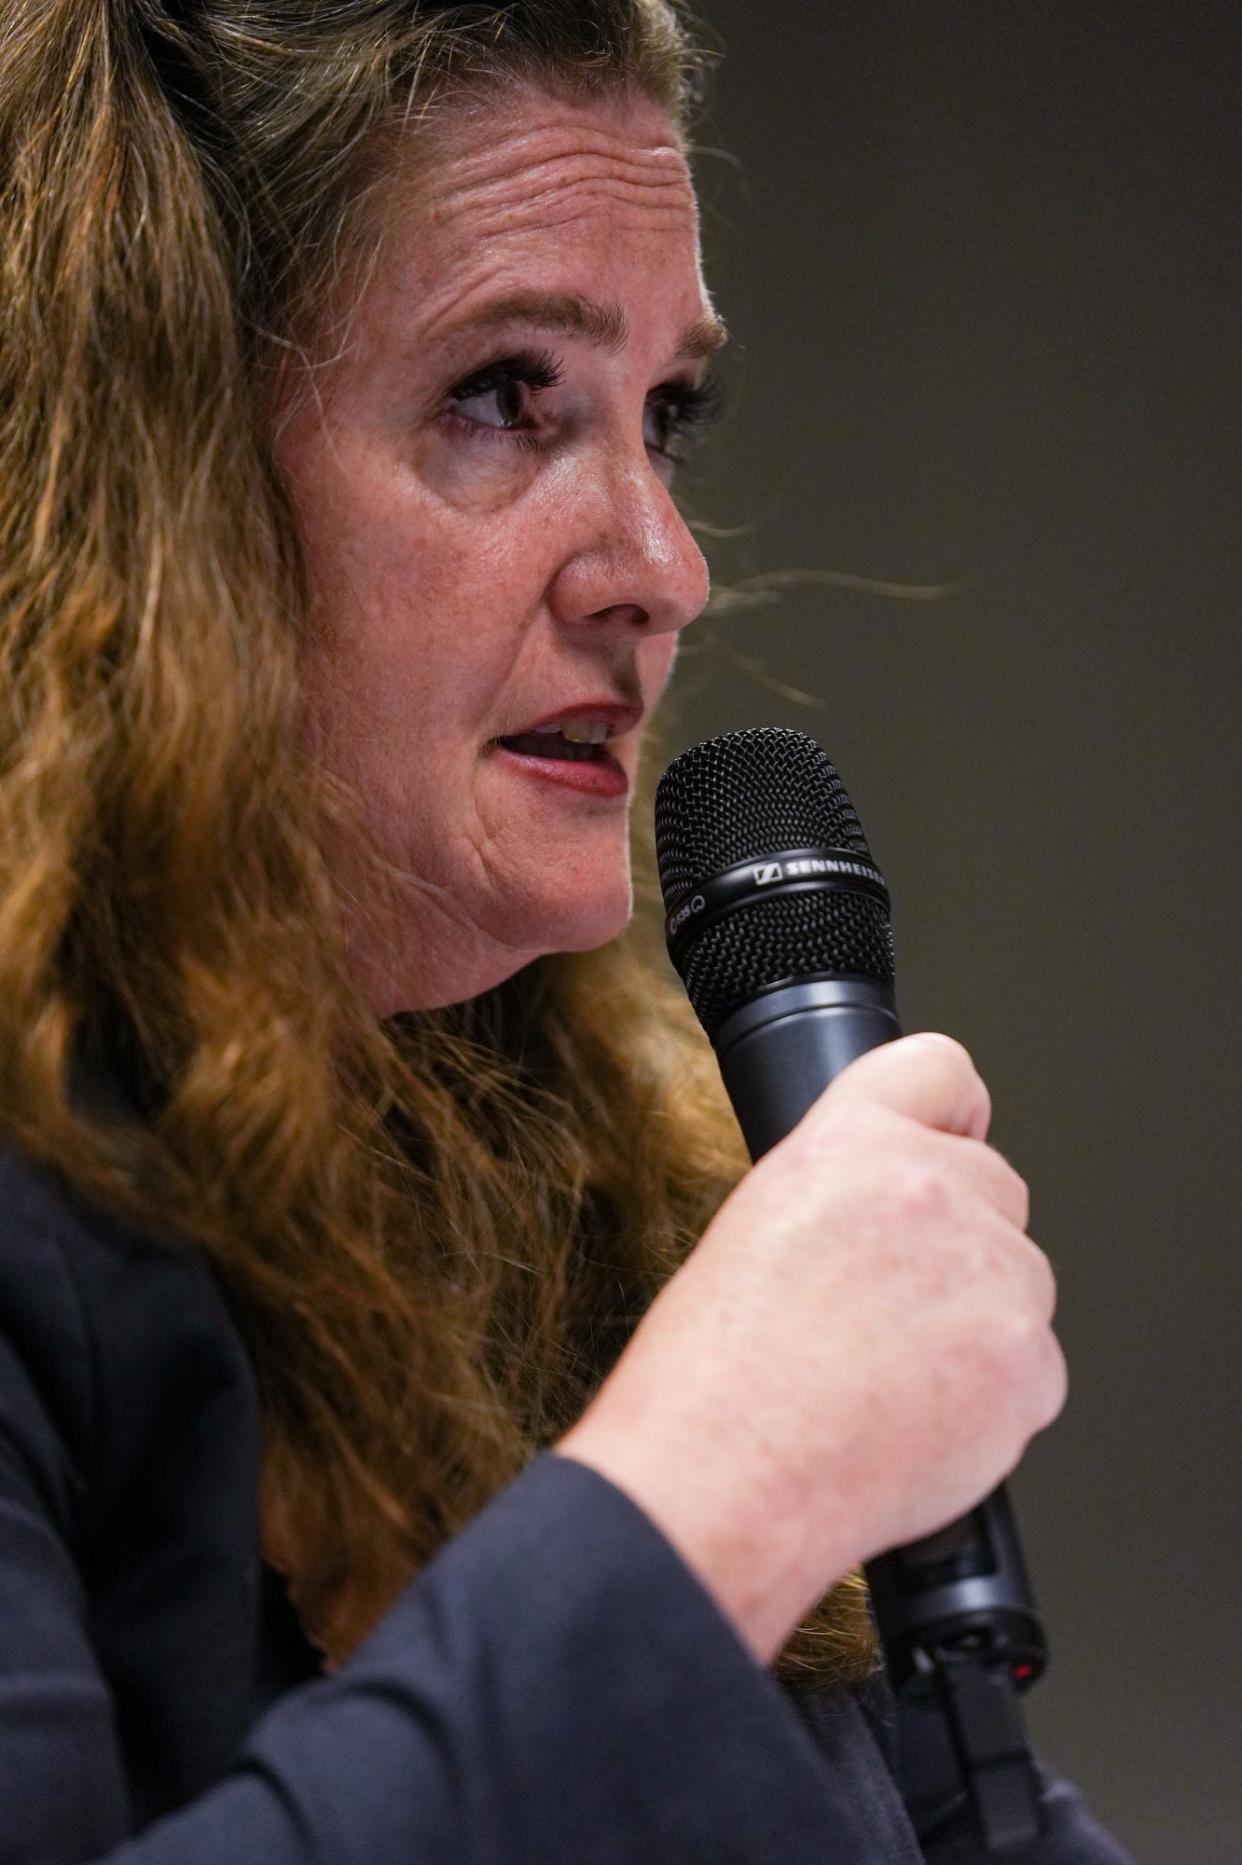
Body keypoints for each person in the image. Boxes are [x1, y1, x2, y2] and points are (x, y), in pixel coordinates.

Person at [0, 3, 1136, 1859]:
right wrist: (712, 1494)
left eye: (662, 417)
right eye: (505, 395)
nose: (665, 570)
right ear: (153, 481)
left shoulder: (584, 1163)